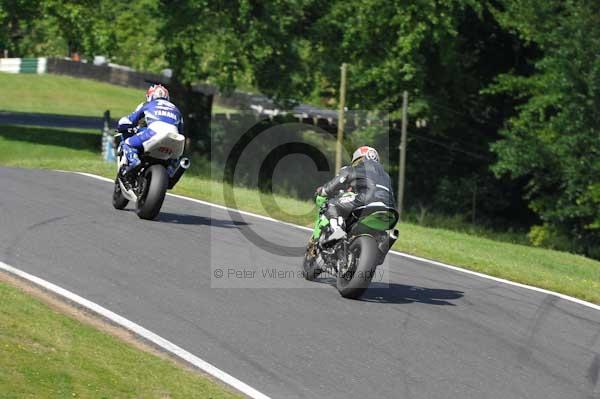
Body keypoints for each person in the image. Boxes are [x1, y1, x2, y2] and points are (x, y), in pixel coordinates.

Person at [316, 146, 396, 241]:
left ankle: (337, 231)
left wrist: (323, 191)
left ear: (358, 159)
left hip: (366, 200)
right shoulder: (386, 175)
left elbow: (332, 186)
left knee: (332, 203)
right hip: (390, 208)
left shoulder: (354, 169)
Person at [117, 84, 184, 174]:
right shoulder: (176, 109)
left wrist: (121, 126)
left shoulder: (147, 105)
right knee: (174, 160)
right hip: (176, 138)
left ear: (150, 96)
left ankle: (134, 161)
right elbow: (181, 131)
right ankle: (171, 171)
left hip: (154, 132)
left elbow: (129, 121)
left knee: (128, 143)